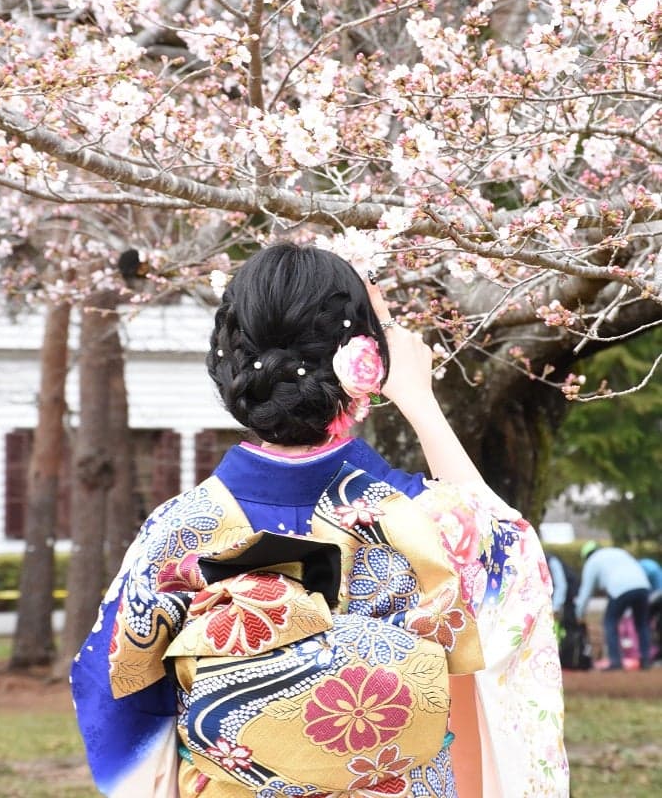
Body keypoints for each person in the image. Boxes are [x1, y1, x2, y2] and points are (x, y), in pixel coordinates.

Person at [71, 243, 568, 798]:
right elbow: (513, 563)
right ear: (366, 363)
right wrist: (418, 400)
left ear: (229, 365)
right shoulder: (434, 519)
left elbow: (111, 690)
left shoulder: (176, 530)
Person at [575, 540, 651, 670]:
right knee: (642, 623)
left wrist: (579, 613)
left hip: (619, 589)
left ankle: (615, 661)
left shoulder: (592, 562)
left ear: (586, 556)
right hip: (642, 585)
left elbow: (586, 592)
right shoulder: (618, 552)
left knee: (610, 622)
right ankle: (645, 660)